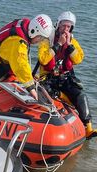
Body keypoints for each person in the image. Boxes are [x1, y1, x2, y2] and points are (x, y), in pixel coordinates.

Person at [38, 11, 97, 139]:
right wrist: (58, 44)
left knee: (80, 94)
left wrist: (69, 46)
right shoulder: (47, 41)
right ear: (58, 25)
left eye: (68, 27)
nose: (65, 29)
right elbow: (43, 59)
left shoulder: (72, 42)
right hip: (49, 78)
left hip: (65, 78)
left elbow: (78, 59)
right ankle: (59, 96)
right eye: (63, 26)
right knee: (45, 92)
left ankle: (88, 127)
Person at [0, 14, 53, 100]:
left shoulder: (23, 25)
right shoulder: (18, 43)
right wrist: (31, 88)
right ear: (34, 31)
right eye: (40, 38)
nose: (39, 41)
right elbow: (21, 65)